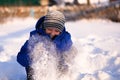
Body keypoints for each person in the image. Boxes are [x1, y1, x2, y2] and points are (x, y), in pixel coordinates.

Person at [17, 10, 74, 80]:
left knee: (65, 61)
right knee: (37, 58)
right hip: (38, 71)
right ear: (45, 27)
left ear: (61, 31)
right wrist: (32, 56)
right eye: (49, 29)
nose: (52, 33)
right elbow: (20, 58)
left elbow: (71, 52)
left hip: (58, 69)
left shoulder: (65, 39)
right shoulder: (36, 37)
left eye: (56, 31)